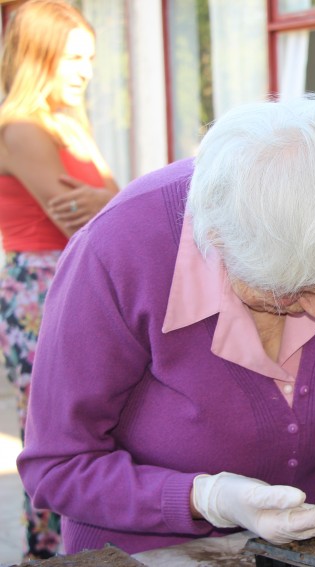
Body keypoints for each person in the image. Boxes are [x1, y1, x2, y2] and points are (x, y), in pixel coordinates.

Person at [17, 95, 315, 555]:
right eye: (286, 291)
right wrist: (204, 498)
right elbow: (59, 466)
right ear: (218, 239)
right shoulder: (115, 254)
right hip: (146, 553)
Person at [0, 0, 118, 559]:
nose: (85, 69)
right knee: (54, 430)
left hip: (75, 282)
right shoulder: (22, 127)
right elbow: (78, 216)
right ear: (39, 56)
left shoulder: (67, 123)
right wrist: (112, 201)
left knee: (91, 419)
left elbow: (110, 207)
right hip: (39, 292)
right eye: (73, 57)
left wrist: (110, 201)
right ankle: (46, 552)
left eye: (90, 57)